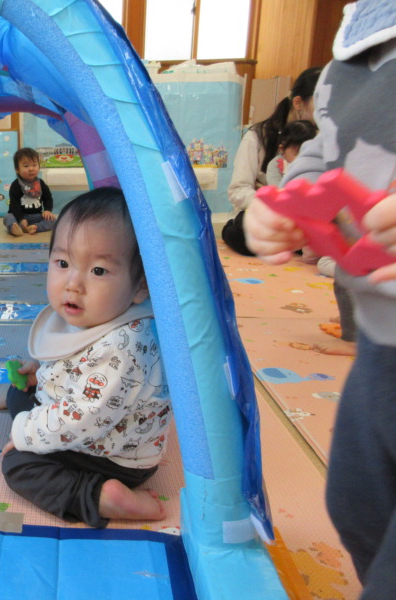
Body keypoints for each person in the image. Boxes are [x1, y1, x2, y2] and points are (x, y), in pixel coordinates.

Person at [243, 2, 396, 596]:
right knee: (355, 502)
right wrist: (283, 207)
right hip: (381, 347)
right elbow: (322, 155)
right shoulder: (351, 53)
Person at [0, 186, 170, 528]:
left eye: (98, 271)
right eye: (62, 263)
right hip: (90, 420)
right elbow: (75, 360)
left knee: (18, 466)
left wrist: (26, 433)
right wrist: (40, 371)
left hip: (114, 457)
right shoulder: (94, 311)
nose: (73, 283)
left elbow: (82, 417)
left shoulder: (124, 345)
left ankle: (101, 496)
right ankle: (27, 403)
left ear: (140, 286)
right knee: (20, 393)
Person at [222, 66, 323, 255]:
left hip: (304, 217)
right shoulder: (257, 136)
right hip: (270, 214)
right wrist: (276, 204)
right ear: (298, 102)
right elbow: (238, 190)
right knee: (244, 232)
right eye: (321, 104)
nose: (327, 113)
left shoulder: (321, 137)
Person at [4, 147, 56, 236]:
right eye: (26, 166)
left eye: (34, 165)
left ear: (39, 166)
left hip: (37, 216)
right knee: (7, 217)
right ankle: (16, 228)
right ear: (17, 169)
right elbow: (14, 205)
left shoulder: (41, 183)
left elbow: (48, 198)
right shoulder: (16, 185)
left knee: (53, 220)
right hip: (19, 216)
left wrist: (47, 210)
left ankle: (34, 227)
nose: (31, 169)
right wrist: (20, 219)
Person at [264, 119, 319, 188]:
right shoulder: (275, 165)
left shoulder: (315, 163)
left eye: (306, 152)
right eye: (296, 153)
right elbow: (276, 187)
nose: (301, 158)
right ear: (282, 149)